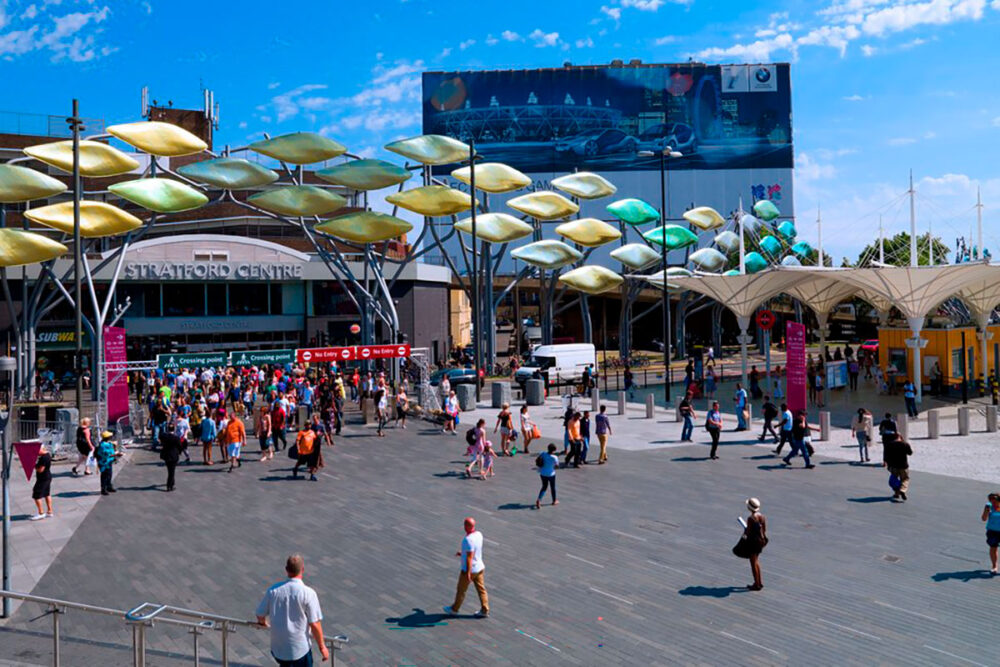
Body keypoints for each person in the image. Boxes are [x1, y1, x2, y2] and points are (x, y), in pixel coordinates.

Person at [256, 554, 329, 666]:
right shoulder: (308, 593)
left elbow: (260, 614)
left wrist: (263, 623)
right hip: (299, 649)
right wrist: (322, 647)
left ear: (286, 570)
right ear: (302, 569)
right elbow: (314, 624)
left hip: (278, 649)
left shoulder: (273, 591)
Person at [443, 517, 489, 618]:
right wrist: (462, 553)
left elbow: (469, 557)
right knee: (481, 589)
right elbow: (474, 550)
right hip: (480, 568)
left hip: (470, 570)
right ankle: (485, 610)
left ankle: (454, 609)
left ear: (466, 526)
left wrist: (468, 573)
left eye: (464, 524)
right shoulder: (479, 534)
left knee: (461, 590)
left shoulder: (468, 540)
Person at [738, 497, 768, 591]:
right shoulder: (762, 517)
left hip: (753, 543)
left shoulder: (750, 519)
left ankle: (757, 584)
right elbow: (764, 530)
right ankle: (759, 582)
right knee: (756, 562)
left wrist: (743, 537)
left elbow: (748, 532)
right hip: (761, 541)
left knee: (753, 563)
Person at [883, 434, 913, 501]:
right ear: (900, 437)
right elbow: (910, 453)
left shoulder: (889, 445)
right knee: (905, 479)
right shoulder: (905, 444)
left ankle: (897, 493)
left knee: (893, 480)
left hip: (894, 466)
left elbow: (886, 455)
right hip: (903, 466)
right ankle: (902, 490)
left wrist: (887, 463)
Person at [29, 443, 53, 521]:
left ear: (41, 449)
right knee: (47, 494)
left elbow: (40, 470)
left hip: (43, 479)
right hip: (47, 477)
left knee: (36, 495)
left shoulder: (43, 458)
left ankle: (41, 513)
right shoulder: (47, 455)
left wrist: (33, 464)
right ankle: (49, 511)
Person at [94, 430, 121, 495]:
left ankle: (109, 486)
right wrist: (116, 454)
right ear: (108, 437)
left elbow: (111, 451)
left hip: (109, 462)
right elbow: (106, 454)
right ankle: (103, 489)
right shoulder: (103, 445)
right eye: (110, 436)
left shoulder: (109, 443)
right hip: (104, 463)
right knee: (104, 476)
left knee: (109, 474)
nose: (112, 437)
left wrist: (115, 453)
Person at [981, 493, 1000, 574]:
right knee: (993, 548)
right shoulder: (989, 506)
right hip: (992, 531)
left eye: (994, 500)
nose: (992, 502)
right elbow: (984, 519)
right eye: (990, 500)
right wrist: (986, 511)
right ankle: (994, 566)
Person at [535, 443, 559, 508]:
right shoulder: (555, 457)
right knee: (552, 487)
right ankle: (554, 501)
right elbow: (557, 466)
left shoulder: (543, 453)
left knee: (544, 487)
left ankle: (539, 500)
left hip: (542, 473)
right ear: (554, 450)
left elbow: (539, 459)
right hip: (551, 474)